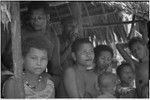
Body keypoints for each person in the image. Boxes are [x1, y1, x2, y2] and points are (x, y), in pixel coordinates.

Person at [21, 1, 62, 76]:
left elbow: (55, 67)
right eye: (32, 18)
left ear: (48, 17)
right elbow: (7, 60)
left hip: (40, 78)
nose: (35, 21)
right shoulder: (22, 33)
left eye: (39, 18)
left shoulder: (53, 38)